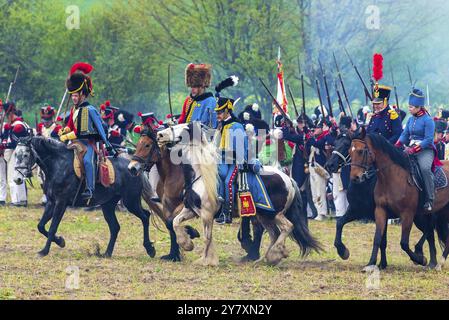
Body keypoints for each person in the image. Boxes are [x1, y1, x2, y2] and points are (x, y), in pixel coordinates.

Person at [59, 62, 116, 200]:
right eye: (72, 95)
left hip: (88, 143)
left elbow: (83, 132)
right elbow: (72, 126)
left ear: (83, 95)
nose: (73, 98)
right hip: (75, 141)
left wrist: (66, 136)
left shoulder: (88, 110)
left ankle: (89, 190)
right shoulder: (74, 109)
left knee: (87, 162)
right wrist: (64, 131)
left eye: (76, 95)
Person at [395, 88, 435, 212]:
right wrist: (398, 143)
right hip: (410, 148)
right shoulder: (411, 119)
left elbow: (428, 139)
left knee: (424, 168)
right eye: (409, 106)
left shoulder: (428, 120)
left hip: (425, 150)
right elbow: (405, 134)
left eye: (411, 107)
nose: (409, 109)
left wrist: (414, 150)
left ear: (419, 107)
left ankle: (430, 199)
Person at [0, 102, 30, 206]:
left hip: (18, 152)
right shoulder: (15, 124)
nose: (5, 116)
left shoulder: (18, 126)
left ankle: (16, 201)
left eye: (6, 114)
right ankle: (21, 200)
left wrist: (3, 145)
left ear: (10, 113)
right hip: (18, 152)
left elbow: (13, 143)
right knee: (18, 176)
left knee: (13, 176)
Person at [306, 115, 335, 221]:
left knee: (320, 191)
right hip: (313, 167)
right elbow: (308, 146)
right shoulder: (316, 138)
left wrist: (326, 131)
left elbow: (319, 144)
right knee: (314, 191)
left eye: (317, 128)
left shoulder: (325, 138)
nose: (315, 130)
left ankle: (322, 212)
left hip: (320, 168)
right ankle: (318, 211)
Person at [178, 63, 217, 128]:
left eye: (195, 86)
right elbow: (182, 120)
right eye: (191, 86)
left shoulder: (211, 101)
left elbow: (210, 125)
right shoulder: (188, 100)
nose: (192, 89)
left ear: (202, 86)